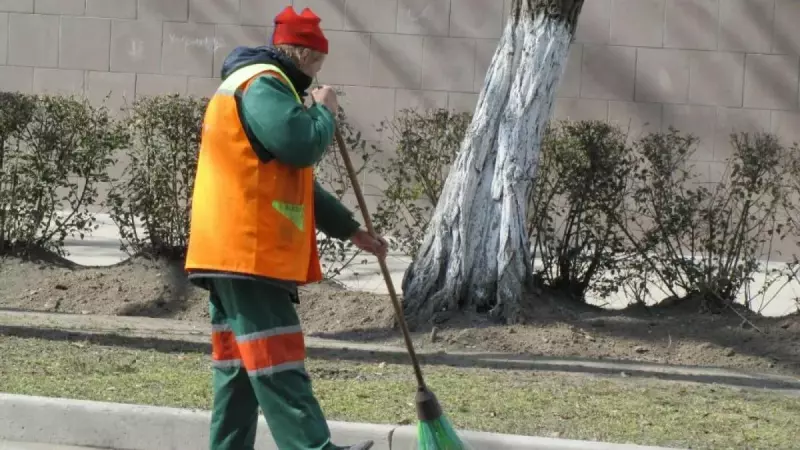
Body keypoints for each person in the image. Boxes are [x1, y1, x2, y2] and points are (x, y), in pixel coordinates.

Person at [184, 5, 387, 450]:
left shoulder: (259, 86)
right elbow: (299, 147)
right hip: (248, 250)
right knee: (276, 360)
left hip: (231, 249)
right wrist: (326, 113)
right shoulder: (263, 85)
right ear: (303, 54)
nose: (317, 76)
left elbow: (295, 183)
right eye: (317, 63)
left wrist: (351, 230)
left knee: (240, 369)